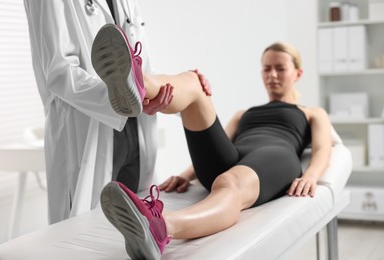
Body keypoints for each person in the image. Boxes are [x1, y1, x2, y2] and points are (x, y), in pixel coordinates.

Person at [93, 25, 332, 260]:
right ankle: (139, 83)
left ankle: (160, 227)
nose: (272, 75)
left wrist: (311, 176)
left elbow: (323, 148)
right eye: (267, 68)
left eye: (280, 68)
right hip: (235, 157)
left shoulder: (311, 112)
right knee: (195, 82)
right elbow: (219, 144)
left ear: (298, 74)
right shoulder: (243, 114)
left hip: (276, 156)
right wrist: (187, 175)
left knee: (229, 181)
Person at [23, 0, 180, 224]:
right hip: (86, 133)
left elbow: (141, 65)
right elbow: (59, 73)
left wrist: (168, 90)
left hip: (137, 132)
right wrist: (121, 98)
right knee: (84, 239)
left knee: (137, 233)